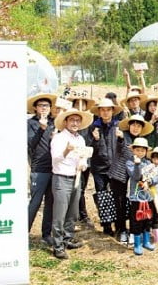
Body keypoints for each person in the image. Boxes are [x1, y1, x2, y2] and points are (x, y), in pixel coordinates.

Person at [50, 109, 93, 259]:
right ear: (66, 122)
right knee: (59, 214)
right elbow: (55, 159)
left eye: (77, 121)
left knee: (73, 212)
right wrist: (66, 151)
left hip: (76, 177)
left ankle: (67, 239)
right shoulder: (59, 138)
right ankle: (57, 245)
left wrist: (83, 165)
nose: (75, 123)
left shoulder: (80, 139)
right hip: (61, 178)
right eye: (72, 120)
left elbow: (84, 157)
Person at [108, 114, 154, 244]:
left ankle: (136, 231)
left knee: (135, 205)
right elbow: (120, 146)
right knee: (120, 205)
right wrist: (121, 139)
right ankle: (122, 230)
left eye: (138, 126)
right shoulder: (123, 136)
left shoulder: (141, 141)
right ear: (129, 126)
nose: (135, 128)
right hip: (120, 176)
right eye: (133, 125)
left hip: (135, 177)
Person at [88, 98, 122, 236]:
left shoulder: (118, 126)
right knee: (102, 195)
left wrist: (121, 139)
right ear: (99, 112)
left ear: (113, 111)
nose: (106, 112)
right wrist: (95, 140)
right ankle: (107, 225)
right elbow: (89, 149)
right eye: (103, 110)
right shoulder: (93, 127)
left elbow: (124, 147)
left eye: (108, 110)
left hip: (115, 166)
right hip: (99, 167)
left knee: (117, 196)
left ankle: (119, 225)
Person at [27, 93, 57, 245]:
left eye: (46, 105)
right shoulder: (31, 123)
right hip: (39, 169)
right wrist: (41, 128)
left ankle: (46, 234)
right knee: (35, 202)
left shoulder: (54, 122)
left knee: (50, 203)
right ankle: (24, 232)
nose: (44, 108)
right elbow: (30, 144)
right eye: (41, 105)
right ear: (35, 108)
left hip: (54, 168)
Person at [68, 96, 96, 229]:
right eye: (77, 104)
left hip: (85, 160)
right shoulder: (69, 123)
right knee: (75, 188)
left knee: (82, 189)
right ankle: (80, 215)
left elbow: (91, 141)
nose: (80, 106)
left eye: (83, 104)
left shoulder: (89, 123)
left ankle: (81, 214)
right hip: (71, 161)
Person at [126, 138, 158, 255]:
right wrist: (137, 165)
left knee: (148, 219)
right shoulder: (130, 163)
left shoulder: (149, 163)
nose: (139, 153)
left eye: (142, 150)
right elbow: (135, 176)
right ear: (133, 150)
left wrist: (148, 182)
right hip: (136, 198)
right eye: (137, 150)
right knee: (136, 221)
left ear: (146, 151)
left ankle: (146, 241)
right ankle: (137, 244)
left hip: (147, 197)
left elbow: (156, 177)